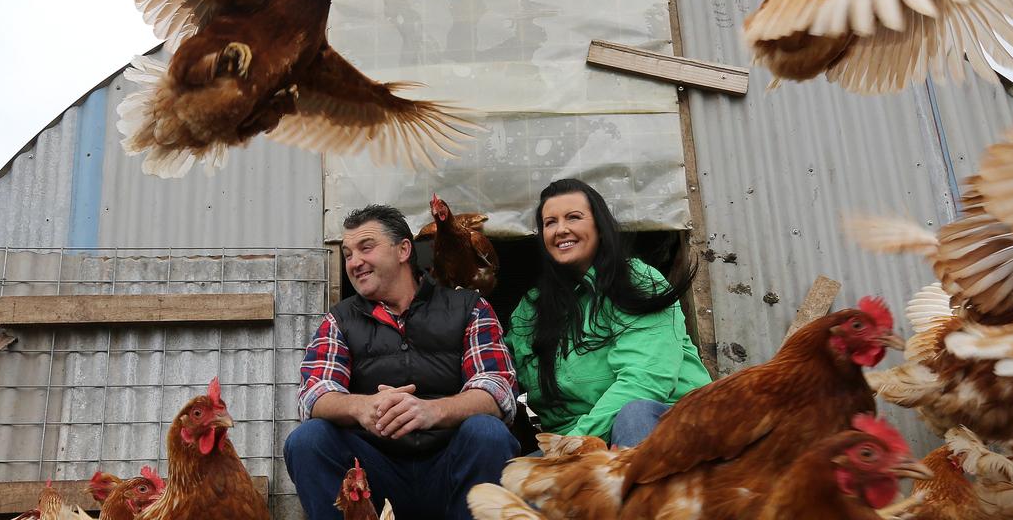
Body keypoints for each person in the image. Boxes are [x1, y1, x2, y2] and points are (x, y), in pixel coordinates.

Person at [284, 204, 520, 520]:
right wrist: (362, 408)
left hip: (449, 469)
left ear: (403, 250)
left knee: (487, 433)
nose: (355, 262)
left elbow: (497, 388)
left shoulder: (469, 308)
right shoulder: (339, 321)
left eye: (366, 248)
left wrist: (432, 411)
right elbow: (313, 396)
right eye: (348, 254)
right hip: (374, 474)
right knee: (307, 440)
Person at [506, 178, 712, 448]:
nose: (561, 229)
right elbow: (501, 374)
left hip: (665, 427)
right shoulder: (530, 310)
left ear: (600, 227)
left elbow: (646, 380)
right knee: (501, 479)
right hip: (579, 445)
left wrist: (574, 446)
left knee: (634, 416)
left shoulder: (635, 281)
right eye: (550, 222)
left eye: (574, 217)